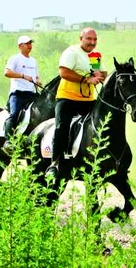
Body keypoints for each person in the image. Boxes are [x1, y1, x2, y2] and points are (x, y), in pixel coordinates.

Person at [45, 27, 107, 178]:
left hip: (88, 100)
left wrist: (100, 75)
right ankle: (55, 163)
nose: (92, 43)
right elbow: (64, 72)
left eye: (95, 40)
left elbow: (103, 73)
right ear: (81, 39)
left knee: (99, 128)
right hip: (67, 98)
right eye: (89, 39)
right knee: (62, 127)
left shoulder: (95, 56)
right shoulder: (71, 52)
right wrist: (87, 79)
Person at [3, 35, 42, 153]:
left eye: (31, 43)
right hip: (18, 94)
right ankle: (8, 141)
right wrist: (23, 76)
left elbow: (36, 76)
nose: (30, 46)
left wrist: (38, 81)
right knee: (14, 114)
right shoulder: (15, 58)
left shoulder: (33, 60)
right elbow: (7, 72)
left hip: (32, 93)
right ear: (20, 46)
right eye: (27, 43)